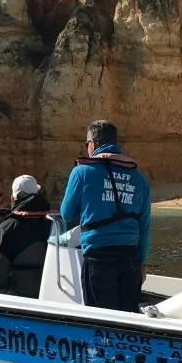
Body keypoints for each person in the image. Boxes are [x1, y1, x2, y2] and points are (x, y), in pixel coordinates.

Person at [59, 120, 151, 312]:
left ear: (93, 144)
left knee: (101, 321)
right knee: (128, 319)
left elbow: (66, 214)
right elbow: (144, 227)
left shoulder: (81, 172)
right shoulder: (140, 178)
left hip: (98, 258)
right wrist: (141, 264)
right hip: (130, 259)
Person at [0, 175, 53, 299]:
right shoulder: (53, 222)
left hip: (19, 290)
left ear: (13, 198)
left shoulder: (7, 226)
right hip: (50, 288)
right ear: (37, 194)